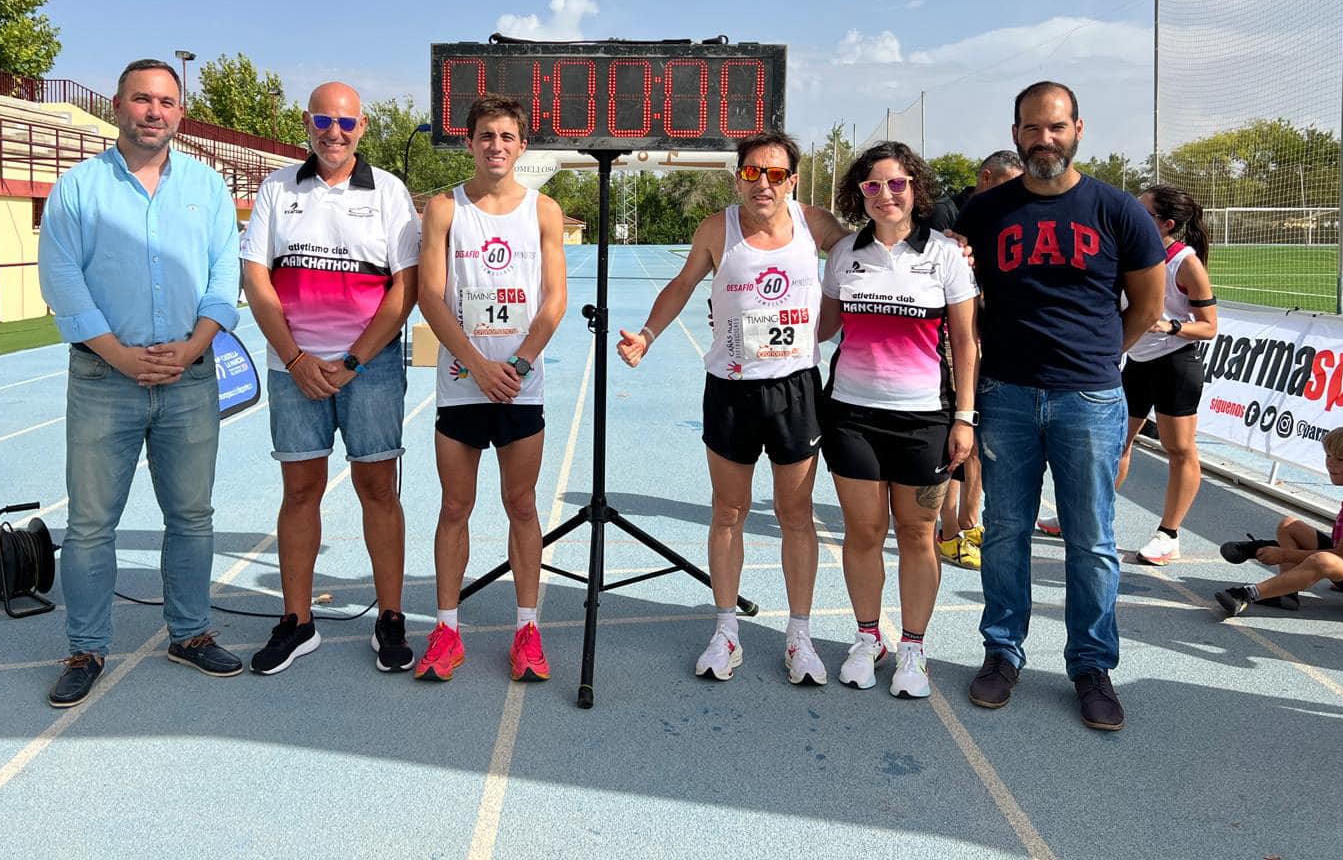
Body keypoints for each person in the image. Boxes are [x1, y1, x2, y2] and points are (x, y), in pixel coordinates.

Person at [953, 81, 1164, 731]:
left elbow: (1148, 307)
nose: (1044, 139)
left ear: (1078, 129)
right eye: (1032, 128)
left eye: (1056, 127)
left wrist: (1099, 359)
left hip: (1090, 398)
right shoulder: (986, 214)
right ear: (1017, 133)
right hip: (1007, 396)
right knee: (1007, 531)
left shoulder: (1116, 210)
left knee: (1092, 541)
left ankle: (1092, 665)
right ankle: (1002, 652)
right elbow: (956, 282)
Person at [38, 58, 243, 708]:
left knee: (192, 515)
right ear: (118, 107)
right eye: (141, 100)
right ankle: (85, 647)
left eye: (166, 101)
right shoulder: (77, 189)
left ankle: (189, 633)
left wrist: (191, 348)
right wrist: (123, 357)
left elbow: (222, 277)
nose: (154, 111)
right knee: (93, 522)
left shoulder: (208, 188)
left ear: (179, 113)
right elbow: (62, 280)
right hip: (104, 378)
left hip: (189, 377)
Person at [618, 131, 847, 685]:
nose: (762, 183)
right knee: (728, 511)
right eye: (751, 173)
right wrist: (647, 335)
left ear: (792, 178)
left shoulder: (817, 227)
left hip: (795, 389)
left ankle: (799, 636)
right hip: (731, 390)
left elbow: (866, 265)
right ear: (738, 176)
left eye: (774, 173)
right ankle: (726, 631)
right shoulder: (716, 230)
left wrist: (949, 243)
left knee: (796, 514)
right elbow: (679, 285)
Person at [239, 82, 421, 676]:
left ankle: (389, 617)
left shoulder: (390, 192)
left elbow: (405, 290)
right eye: (323, 119)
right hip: (296, 368)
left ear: (362, 127)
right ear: (307, 123)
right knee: (299, 492)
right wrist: (295, 359)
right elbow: (256, 279)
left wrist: (352, 362)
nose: (333, 131)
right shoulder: (275, 188)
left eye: (345, 121)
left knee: (377, 490)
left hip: (368, 370)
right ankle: (298, 621)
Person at [414, 94, 567, 682]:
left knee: (522, 505)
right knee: (456, 506)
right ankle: (447, 629)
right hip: (462, 383)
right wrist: (477, 364)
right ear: (469, 141)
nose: (496, 145)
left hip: (520, 389)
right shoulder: (444, 209)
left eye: (507, 136)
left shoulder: (545, 211)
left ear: (521, 146)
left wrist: (521, 364)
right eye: (485, 135)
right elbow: (431, 296)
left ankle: (526, 629)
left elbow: (553, 298)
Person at [818, 142, 978, 699]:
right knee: (862, 533)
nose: (885, 194)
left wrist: (964, 416)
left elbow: (965, 341)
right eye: (872, 185)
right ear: (858, 193)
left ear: (916, 189)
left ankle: (912, 645)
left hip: (924, 420)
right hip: (850, 416)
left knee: (917, 534)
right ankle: (868, 638)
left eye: (897, 184)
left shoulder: (945, 255)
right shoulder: (844, 253)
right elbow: (822, 328)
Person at [1111, 185, 1218, 565]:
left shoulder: (1185, 261)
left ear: (1166, 223)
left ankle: (1169, 534)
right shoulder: (1128, 252)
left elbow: (1209, 327)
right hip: (1137, 362)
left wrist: (1171, 326)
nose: (1132, 217)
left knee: (1180, 450)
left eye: (1143, 213)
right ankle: (1095, 514)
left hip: (1175, 364)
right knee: (1115, 444)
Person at [937, 149, 1024, 570]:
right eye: (1010, 185)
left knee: (982, 441)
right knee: (959, 440)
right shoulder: (945, 214)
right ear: (986, 178)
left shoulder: (1008, 216)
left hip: (988, 338)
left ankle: (970, 523)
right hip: (947, 340)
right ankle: (950, 530)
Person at [1215, 424, 1343, 619]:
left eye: (1340, 459)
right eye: (1328, 456)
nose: (1330, 464)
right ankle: (1285, 593)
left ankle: (1247, 594)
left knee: (1324, 561)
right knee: (1289, 525)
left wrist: (1284, 554)